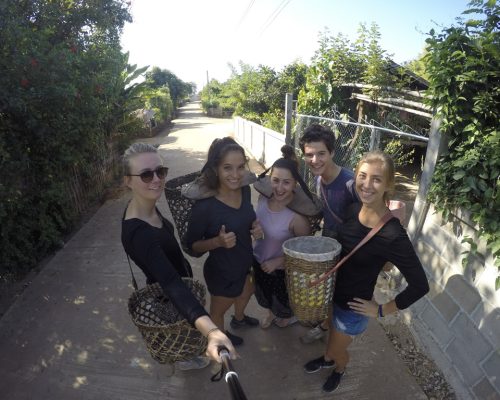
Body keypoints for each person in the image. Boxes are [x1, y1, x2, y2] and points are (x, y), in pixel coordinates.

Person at [303, 151, 429, 393]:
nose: (367, 185)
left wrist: (381, 310)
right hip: (331, 297)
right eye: (362, 176)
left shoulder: (393, 235)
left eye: (376, 179)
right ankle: (328, 359)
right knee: (330, 337)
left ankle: (338, 367)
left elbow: (420, 285)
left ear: (388, 185)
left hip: (353, 308)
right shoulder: (352, 209)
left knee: (336, 350)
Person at [120, 142, 236, 370]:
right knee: (181, 327)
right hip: (167, 293)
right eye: (145, 175)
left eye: (160, 171)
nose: (156, 179)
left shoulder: (145, 205)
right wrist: (212, 331)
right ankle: (185, 359)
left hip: (177, 277)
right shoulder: (139, 233)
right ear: (128, 181)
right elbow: (172, 284)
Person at [185, 137, 263, 346]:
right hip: (222, 274)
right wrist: (217, 242)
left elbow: (245, 219)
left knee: (247, 290)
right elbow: (191, 246)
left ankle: (239, 319)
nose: (236, 175)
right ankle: (221, 342)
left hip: (244, 264)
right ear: (216, 169)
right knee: (217, 312)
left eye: (240, 167)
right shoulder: (205, 207)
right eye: (227, 168)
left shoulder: (245, 190)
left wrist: (254, 228)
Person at [298, 123, 359, 344]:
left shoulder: (351, 183)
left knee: (341, 297)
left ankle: (336, 344)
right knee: (328, 290)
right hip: (330, 244)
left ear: (332, 152)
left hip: (350, 251)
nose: (315, 160)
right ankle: (325, 325)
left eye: (321, 153)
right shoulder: (319, 179)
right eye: (309, 155)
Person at [252, 145, 323, 329]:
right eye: (276, 180)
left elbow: (303, 253)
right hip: (259, 260)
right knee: (265, 296)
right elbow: (257, 223)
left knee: (282, 302)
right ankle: (269, 313)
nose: (280, 188)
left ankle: (287, 317)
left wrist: (277, 262)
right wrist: (254, 229)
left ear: (295, 185)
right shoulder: (262, 199)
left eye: (286, 183)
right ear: (269, 179)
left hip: (282, 270)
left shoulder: (297, 218)